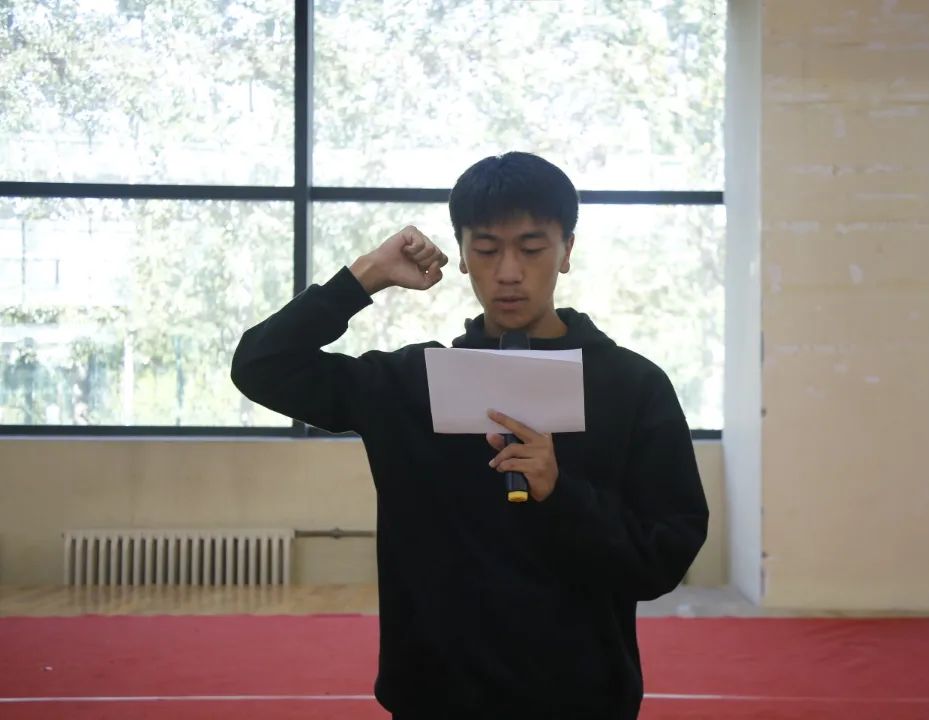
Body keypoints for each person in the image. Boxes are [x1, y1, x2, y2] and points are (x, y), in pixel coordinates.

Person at [231, 151, 708, 719]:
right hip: (435, 698)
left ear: (567, 251)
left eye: (531, 248)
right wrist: (366, 276)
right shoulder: (411, 385)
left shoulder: (630, 386)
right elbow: (261, 365)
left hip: (580, 699)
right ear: (460, 254)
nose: (508, 272)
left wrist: (563, 495)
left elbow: (664, 556)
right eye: (485, 249)